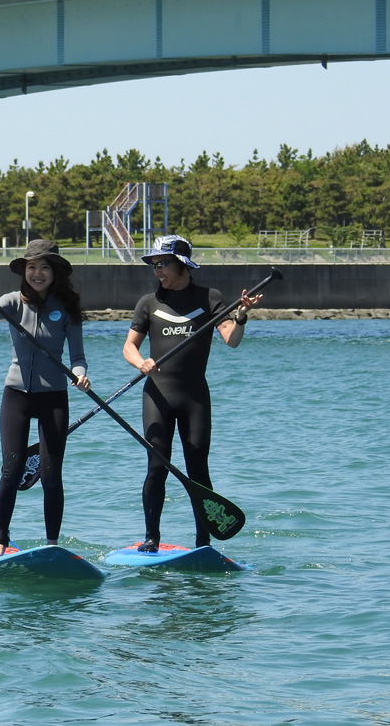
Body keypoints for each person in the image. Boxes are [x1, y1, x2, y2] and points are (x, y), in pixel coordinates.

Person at [121, 234, 262, 553]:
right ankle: (151, 539)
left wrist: (240, 314)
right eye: (154, 264)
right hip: (157, 396)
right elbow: (129, 346)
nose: (157, 270)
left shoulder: (209, 298)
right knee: (157, 467)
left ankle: (203, 542)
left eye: (163, 263)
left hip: (194, 397)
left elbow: (232, 339)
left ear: (182, 264)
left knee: (198, 470)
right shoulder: (148, 303)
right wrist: (141, 362)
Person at [0, 239, 90, 556]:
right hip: (17, 396)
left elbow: (78, 356)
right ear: (24, 271)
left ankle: (52, 544)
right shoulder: (12, 302)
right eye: (31, 267)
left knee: (50, 475)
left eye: (44, 267)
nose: (37, 273)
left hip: (54, 398)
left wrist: (80, 373)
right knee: (11, 469)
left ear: (55, 272)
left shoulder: (67, 309)